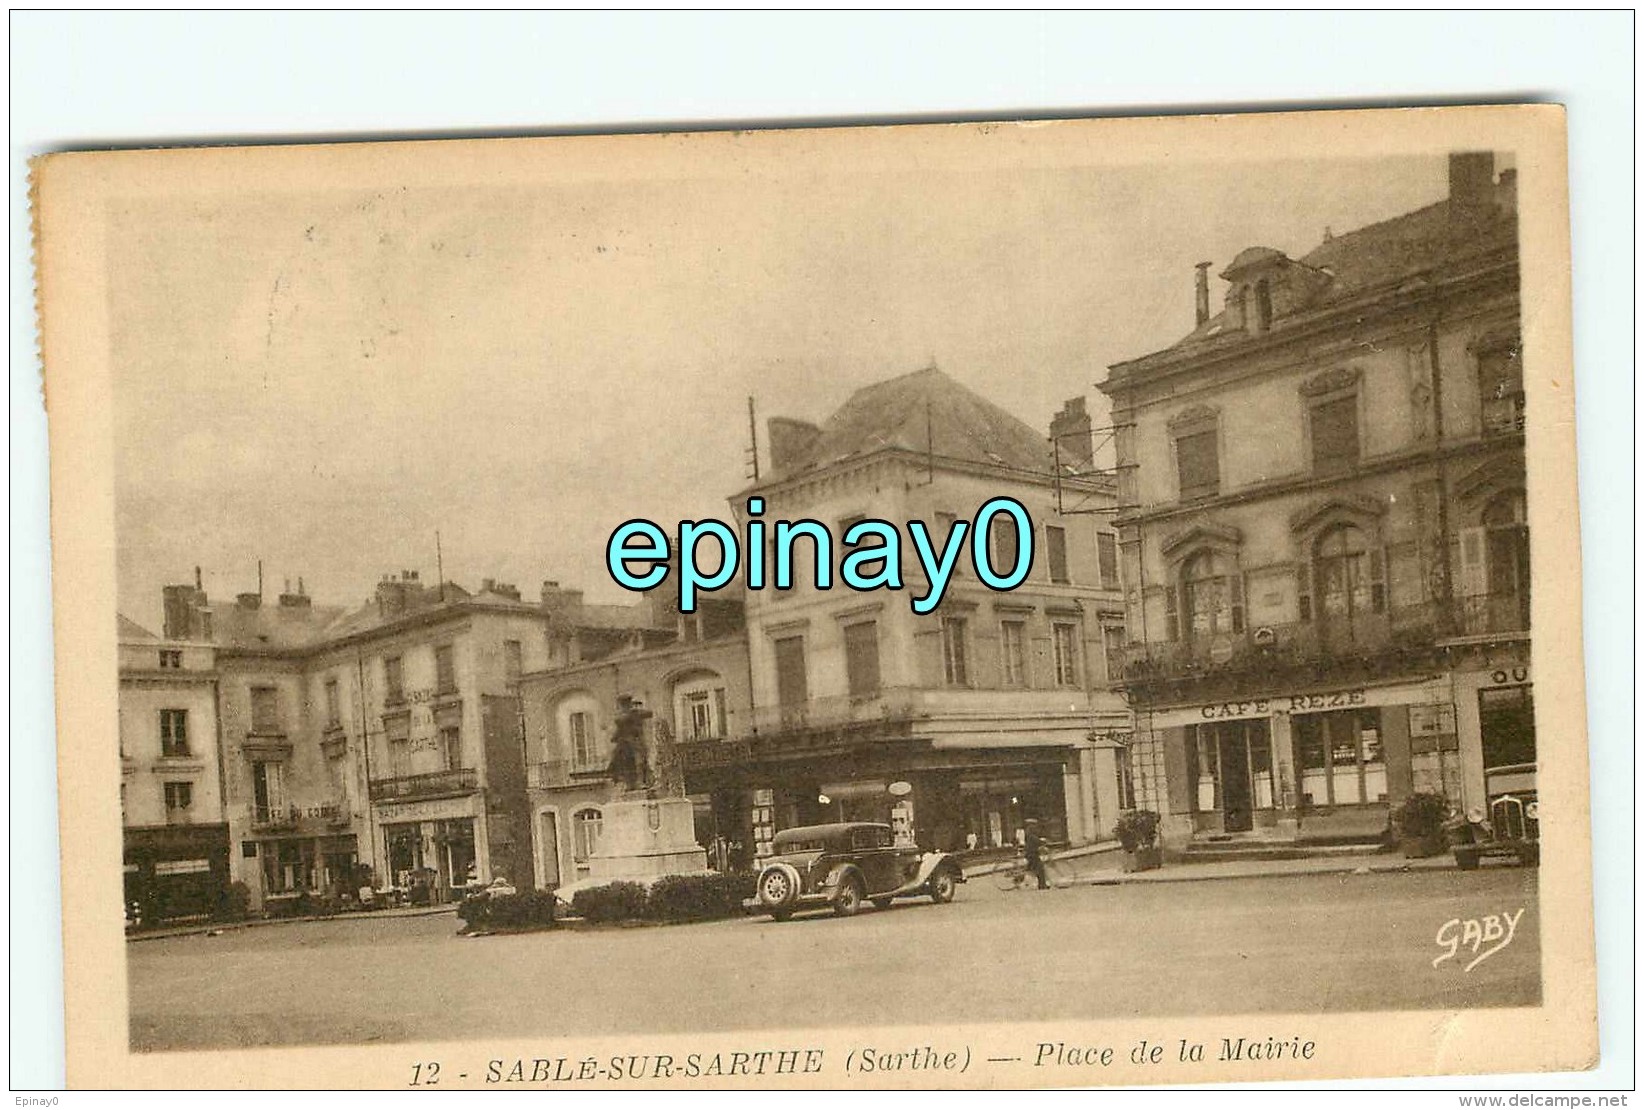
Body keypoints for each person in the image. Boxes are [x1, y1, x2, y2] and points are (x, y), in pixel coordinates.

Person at [1023, 819, 1049, 890]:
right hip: (1032, 855)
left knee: (1032, 869)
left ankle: (1042, 884)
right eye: (1033, 825)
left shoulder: (1029, 834)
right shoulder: (1031, 835)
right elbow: (1037, 841)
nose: (1035, 827)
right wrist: (1043, 841)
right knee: (1040, 869)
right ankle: (1042, 885)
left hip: (1031, 854)